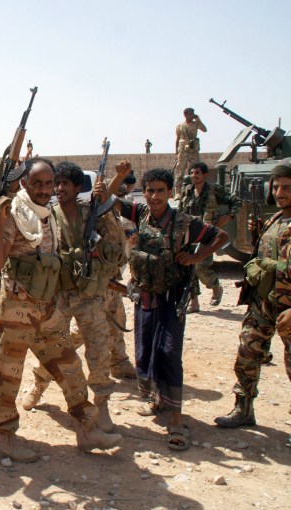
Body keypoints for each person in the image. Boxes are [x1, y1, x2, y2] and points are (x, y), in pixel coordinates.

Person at [0, 158, 123, 462]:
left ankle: (86, 431)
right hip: (17, 309)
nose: (45, 189)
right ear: (25, 184)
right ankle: (4, 437)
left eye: (49, 184)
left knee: (71, 368)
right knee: (9, 376)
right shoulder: (15, 214)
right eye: (38, 183)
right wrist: (0, 223)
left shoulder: (47, 215)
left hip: (46, 307)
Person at [106, 163, 227, 450]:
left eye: (161, 191)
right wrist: (119, 177)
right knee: (145, 352)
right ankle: (155, 400)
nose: (155, 196)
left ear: (170, 192)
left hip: (172, 300)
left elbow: (222, 237)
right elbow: (106, 199)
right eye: (150, 191)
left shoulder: (185, 222)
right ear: (143, 193)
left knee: (170, 353)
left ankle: (176, 418)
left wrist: (198, 258)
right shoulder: (139, 213)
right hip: (145, 298)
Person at [20, 161, 127, 434]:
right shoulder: (48, 215)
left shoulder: (91, 212)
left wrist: (106, 210)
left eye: (65, 184)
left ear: (78, 187)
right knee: (55, 348)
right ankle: (38, 384)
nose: (58, 189)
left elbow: (116, 244)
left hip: (90, 295)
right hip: (58, 294)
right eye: (56, 183)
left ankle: (101, 406)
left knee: (99, 351)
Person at [215, 159, 291, 428]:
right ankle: (243, 409)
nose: (280, 193)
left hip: (288, 309)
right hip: (264, 303)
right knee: (247, 355)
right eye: (277, 187)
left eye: (287, 188)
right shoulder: (276, 219)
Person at [178, 162, 240, 312]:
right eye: (192, 173)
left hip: (208, 235)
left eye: (197, 173)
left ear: (205, 175)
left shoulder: (214, 190)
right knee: (188, 265)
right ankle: (194, 301)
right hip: (190, 234)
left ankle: (215, 287)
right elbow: (180, 210)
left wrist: (228, 217)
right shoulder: (187, 191)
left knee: (200, 266)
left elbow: (236, 201)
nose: (194, 176)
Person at [174, 108, 207, 198]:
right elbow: (177, 139)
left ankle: (195, 190)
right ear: (185, 114)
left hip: (193, 150)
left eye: (193, 114)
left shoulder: (196, 123)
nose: (192, 116)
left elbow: (204, 130)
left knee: (195, 170)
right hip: (183, 150)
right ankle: (178, 192)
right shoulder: (180, 126)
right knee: (180, 171)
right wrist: (176, 153)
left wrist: (198, 119)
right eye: (190, 114)